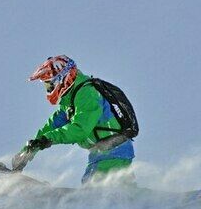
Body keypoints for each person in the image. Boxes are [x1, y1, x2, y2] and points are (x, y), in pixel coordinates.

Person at [13, 55, 135, 184]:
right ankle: (142, 202)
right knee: (109, 194)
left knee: (98, 196)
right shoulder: (70, 100)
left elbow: (80, 129)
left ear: (63, 79)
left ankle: (146, 203)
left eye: (49, 84)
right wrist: (28, 150)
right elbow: (52, 126)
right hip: (102, 153)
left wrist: (47, 139)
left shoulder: (87, 94)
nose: (48, 89)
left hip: (113, 152)